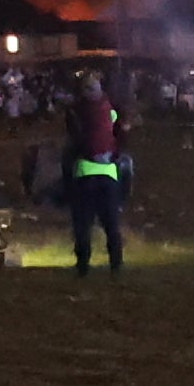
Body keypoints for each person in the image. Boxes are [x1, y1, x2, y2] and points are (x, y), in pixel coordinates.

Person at [60, 80, 128, 274]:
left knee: (83, 223)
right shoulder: (110, 108)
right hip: (109, 172)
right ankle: (116, 263)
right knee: (111, 222)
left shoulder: (76, 110)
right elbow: (122, 133)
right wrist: (114, 155)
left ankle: (83, 265)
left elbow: (73, 138)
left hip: (84, 172)